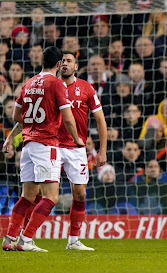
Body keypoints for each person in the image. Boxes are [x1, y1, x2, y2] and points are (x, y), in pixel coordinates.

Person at [1, 46, 84, 252]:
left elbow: (16, 117)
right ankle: (26, 239)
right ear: (58, 64)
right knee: (51, 197)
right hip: (47, 144)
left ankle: (9, 237)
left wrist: (11, 138)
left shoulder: (28, 83)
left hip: (28, 146)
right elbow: (67, 117)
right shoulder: (57, 84)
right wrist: (77, 139)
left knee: (27, 196)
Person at [58, 51, 107, 250]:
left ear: (76, 66)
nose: (65, 64)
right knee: (40, 194)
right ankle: (25, 236)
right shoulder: (52, 86)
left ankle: (73, 240)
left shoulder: (87, 88)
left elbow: (101, 120)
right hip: (52, 145)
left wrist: (102, 151)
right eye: (62, 61)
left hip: (77, 147)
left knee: (79, 194)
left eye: (69, 61)